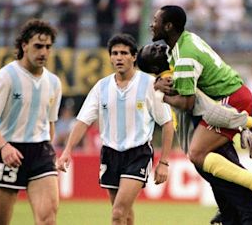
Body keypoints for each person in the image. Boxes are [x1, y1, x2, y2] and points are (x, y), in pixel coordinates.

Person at [147, 5, 252, 213]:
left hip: (231, 99)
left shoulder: (185, 55)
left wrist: (162, 96)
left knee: (197, 153)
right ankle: (228, 205)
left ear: (168, 26)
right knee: (209, 154)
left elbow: (187, 102)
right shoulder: (185, 41)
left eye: (155, 20)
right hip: (231, 96)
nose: (152, 24)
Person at [56, 34, 174, 225]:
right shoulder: (101, 87)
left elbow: (167, 123)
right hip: (110, 154)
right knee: (124, 213)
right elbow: (83, 121)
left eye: (124, 53)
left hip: (138, 153)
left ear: (134, 57)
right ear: (110, 57)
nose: (119, 57)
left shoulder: (149, 85)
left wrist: (164, 162)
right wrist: (67, 151)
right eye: (115, 53)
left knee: (118, 213)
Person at [0, 19, 62, 225]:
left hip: (40, 151)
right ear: (24, 45)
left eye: (48, 47)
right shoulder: (7, 76)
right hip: (9, 150)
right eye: (38, 46)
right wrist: (3, 147)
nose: (43, 52)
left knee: (48, 218)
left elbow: (50, 123)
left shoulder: (54, 82)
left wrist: (49, 148)